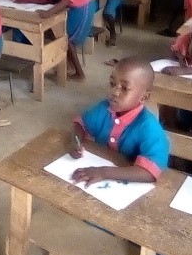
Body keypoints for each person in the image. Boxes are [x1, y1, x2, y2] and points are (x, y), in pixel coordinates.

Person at [68, 57, 169, 185]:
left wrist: (103, 173)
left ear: (144, 97)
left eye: (125, 88)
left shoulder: (149, 127)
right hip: (99, 173)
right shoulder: (104, 108)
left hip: (130, 188)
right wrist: (74, 141)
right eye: (112, 83)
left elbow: (150, 172)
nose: (114, 92)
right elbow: (80, 124)